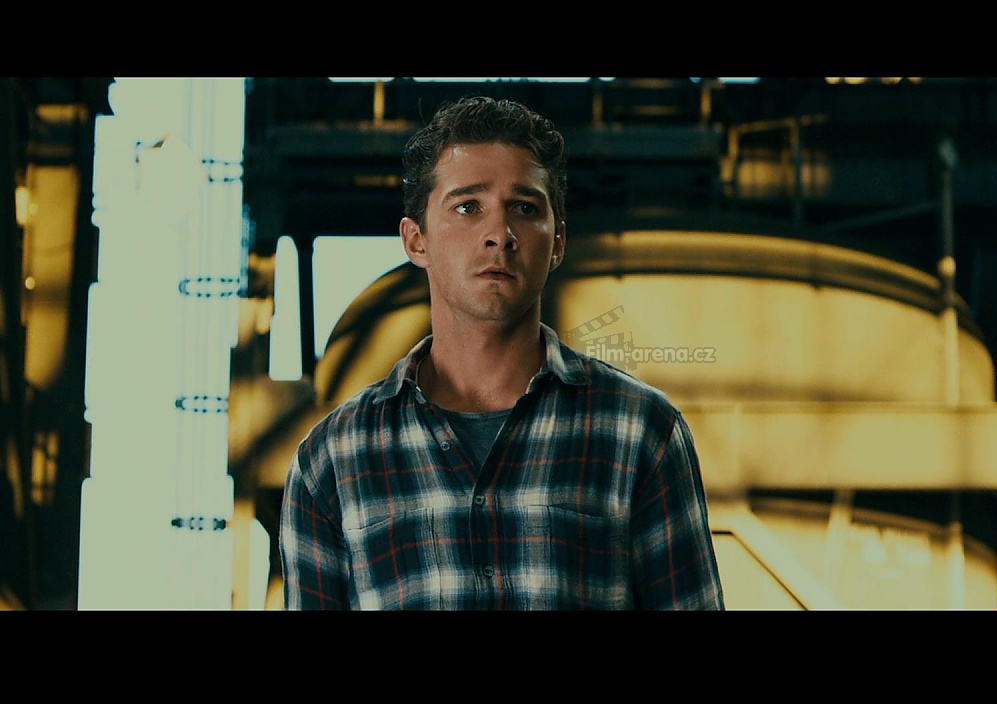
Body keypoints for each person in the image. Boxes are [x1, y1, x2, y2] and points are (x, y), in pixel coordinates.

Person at [278, 95, 725, 610]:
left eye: (525, 208)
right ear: (416, 240)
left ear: (557, 242)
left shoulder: (640, 431)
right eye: (468, 207)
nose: (500, 235)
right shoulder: (332, 461)